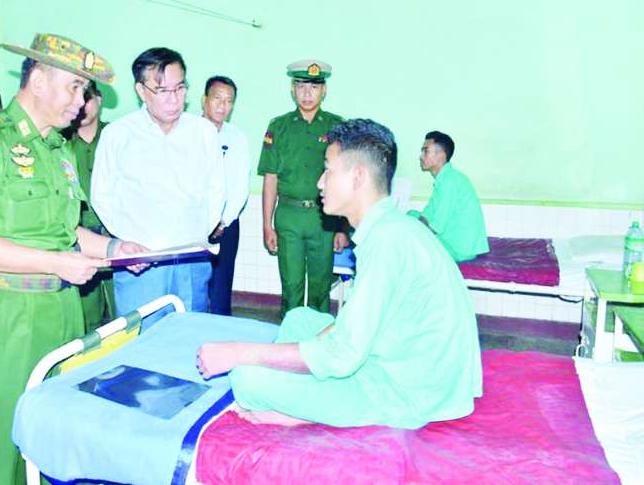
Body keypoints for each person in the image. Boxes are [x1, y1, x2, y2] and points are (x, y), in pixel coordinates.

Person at [0, 33, 146, 485]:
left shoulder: (57, 148)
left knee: (55, 430)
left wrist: (113, 248)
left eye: (85, 90)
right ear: (38, 82)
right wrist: (56, 262)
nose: (82, 101)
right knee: (7, 437)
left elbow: (65, 231)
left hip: (63, 307)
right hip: (9, 312)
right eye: (74, 87)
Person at [197, 119, 483, 429]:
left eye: (328, 170)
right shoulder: (390, 227)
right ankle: (302, 399)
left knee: (246, 379)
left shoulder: (387, 241)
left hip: (406, 390)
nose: (320, 183)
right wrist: (273, 355)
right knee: (298, 319)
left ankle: (300, 409)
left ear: (357, 177)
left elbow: (343, 354)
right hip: (404, 359)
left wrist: (240, 353)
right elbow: (355, 322)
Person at [92, 47, 225, 327]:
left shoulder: (203, 132)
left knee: (190, 336)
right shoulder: (118, 135)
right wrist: (129, 243)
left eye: (180, 88)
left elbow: (216, 191)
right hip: (140, 264)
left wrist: (193, 235)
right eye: (163, 90)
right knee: (141, 340)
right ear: (141, 91)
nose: (174, 99)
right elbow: (102, 197)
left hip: (190, 260)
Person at [257, 60, 348, 317]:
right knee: (291, 285)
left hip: (324, 218)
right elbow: (270, 179)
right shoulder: (278, 127)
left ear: (324, 90)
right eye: (301, 86)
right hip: (289, 216)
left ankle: (319, 335)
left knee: (320, 287)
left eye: (314, 87)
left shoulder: (337, 127)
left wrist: (342, 227)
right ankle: (290, 334)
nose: (307, 93)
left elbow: (344, 180)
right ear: (292, 89)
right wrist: (267, 225)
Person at [64, 80, 115, 330]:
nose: (81, 104)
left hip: (117, 239)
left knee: (125, 315)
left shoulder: (117, 136)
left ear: (99, 99)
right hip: (79, 240)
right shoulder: (60, 143)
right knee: (85, 322)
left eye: (87, 97)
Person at [201, 76, 250, 315]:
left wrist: (223, 221)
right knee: (192, 285)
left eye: (229, 101)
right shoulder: (187, 132)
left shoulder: (237, 138)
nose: (223, 106)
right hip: (192, 224)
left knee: (221, 286)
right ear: (204, 100)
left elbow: (240, 186)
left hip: (226, 225)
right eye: (217, 98)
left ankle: (220, 329)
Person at [408, 131, 489, 262]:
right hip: (449, 242)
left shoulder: (449, 181)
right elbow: (427, 213)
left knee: (409, 228)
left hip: (458, 250)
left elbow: (437, 226)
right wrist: (413, 224)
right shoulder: (445, 179)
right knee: (411, 216)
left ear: (441, 155)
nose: (421, 156)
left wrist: (412, 233)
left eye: (425, 151)